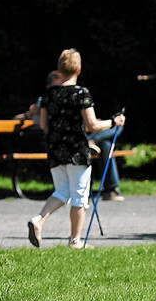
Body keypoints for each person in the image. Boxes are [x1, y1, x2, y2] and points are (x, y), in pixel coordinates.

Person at [27, 49, 125, 249]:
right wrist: (114, 121)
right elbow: (92, 126)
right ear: (78, 70)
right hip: (76, 149)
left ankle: (39, 220)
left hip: (55, 148)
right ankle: (75, 240)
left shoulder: (49, 94)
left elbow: (44, 124)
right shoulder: (81, 93)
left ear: (59, 69)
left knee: (62, 191)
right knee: (80, 195)